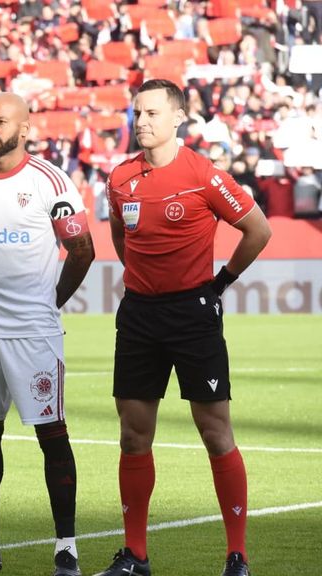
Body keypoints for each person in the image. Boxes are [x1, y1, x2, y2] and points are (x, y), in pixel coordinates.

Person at [94, 80, 271, 576]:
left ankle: (237, 555)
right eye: (137, 113)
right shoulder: (120, 178)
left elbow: (258, 229)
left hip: (193, 315)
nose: (142, 122)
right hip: (138, 315)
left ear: (178, 118)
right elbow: (121, 238)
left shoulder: (203, 175)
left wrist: (221, 283)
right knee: (133, 436)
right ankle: (135, 555)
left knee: (215, 432)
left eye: (152, 112)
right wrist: (144, 280)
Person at [0, 93, 94, 576]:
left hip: (33, 333)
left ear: (25, 129)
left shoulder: (51, 181)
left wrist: (50, 301)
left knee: (52, 436)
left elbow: (83, 249)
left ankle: (66, 548)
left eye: (1, 121)